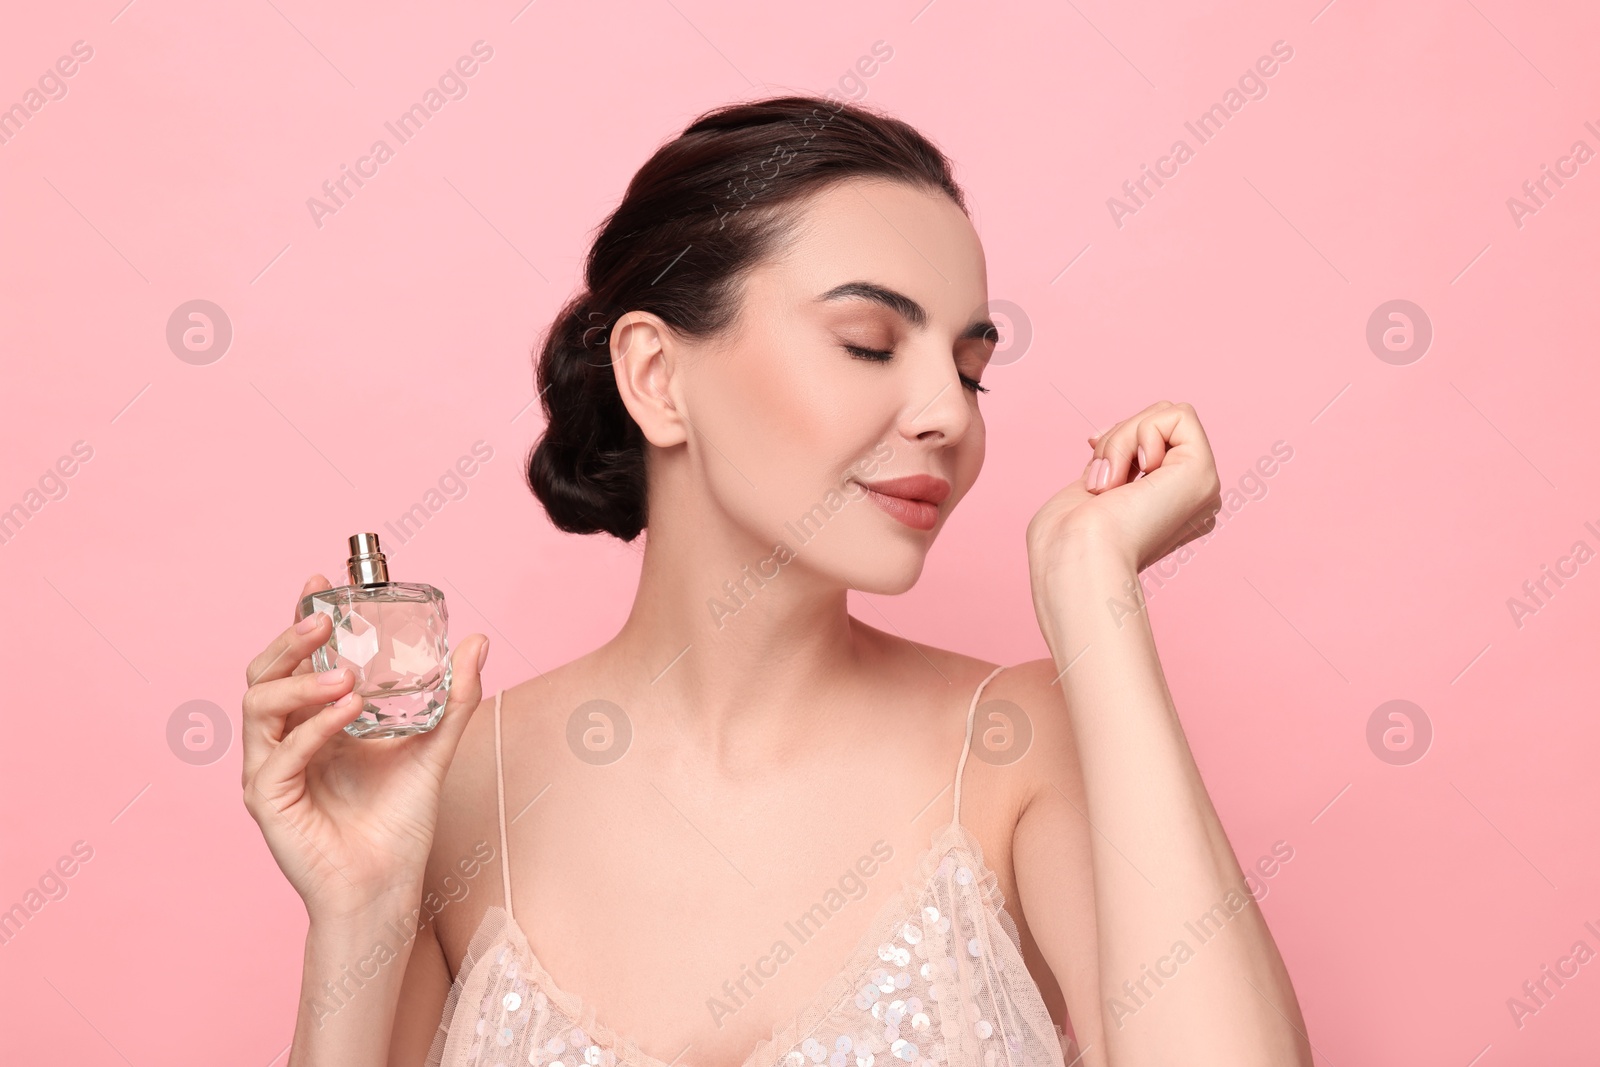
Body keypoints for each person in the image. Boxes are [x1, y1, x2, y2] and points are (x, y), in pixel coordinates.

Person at [242, 94, 1312, 1067]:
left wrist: (1094, 593)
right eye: (866, 342)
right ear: (658, 378)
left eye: (971, 367)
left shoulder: (1017, 746)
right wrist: (361, 913)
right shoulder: (455, 784)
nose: (949, 413)